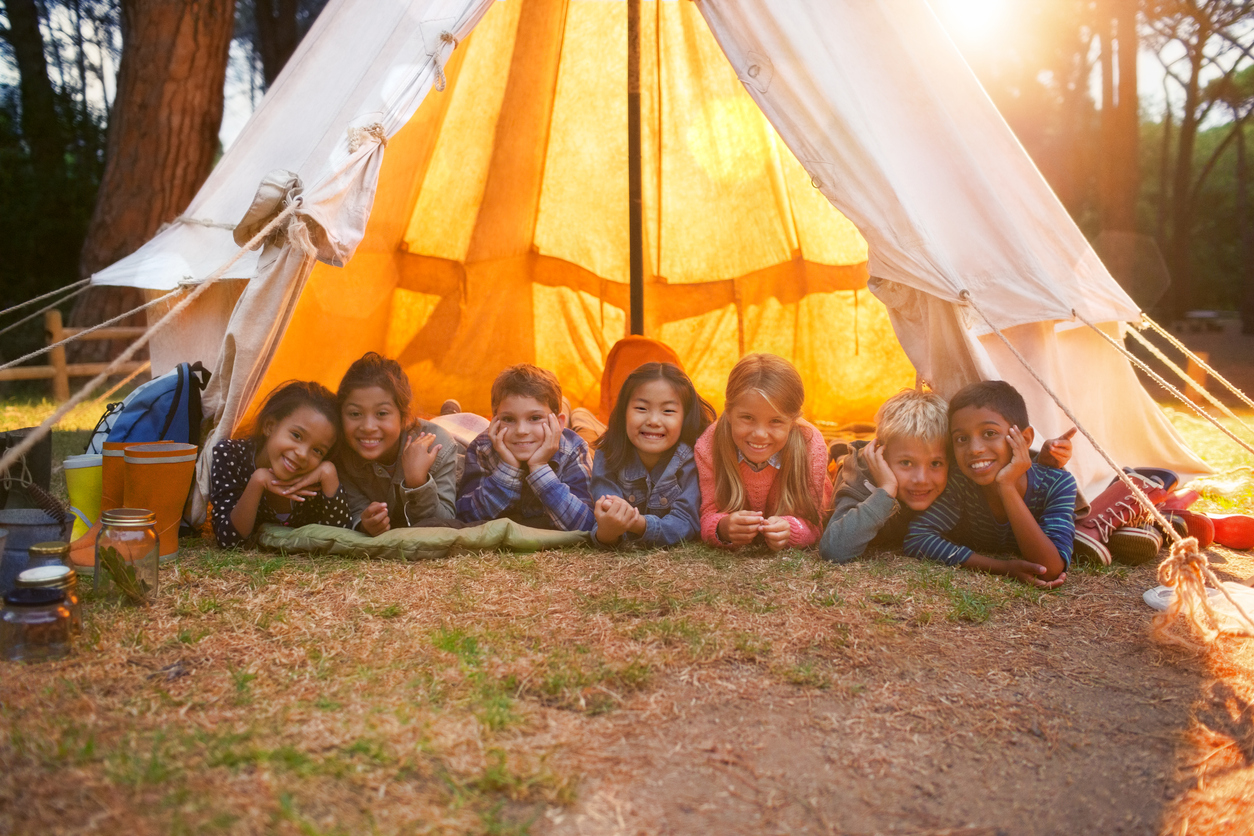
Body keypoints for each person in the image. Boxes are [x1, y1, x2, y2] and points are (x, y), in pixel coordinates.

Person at [904, 380, 1076, 588]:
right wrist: (1002, 567)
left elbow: (1048, 569)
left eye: (989, 433)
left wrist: (1007, 486)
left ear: (1025, 438)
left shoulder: (1057, 484)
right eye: (961, 439)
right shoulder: (961, 482)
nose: (975, 449)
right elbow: (918, 537)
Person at [696, 353, 831, 550]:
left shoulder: (811, 446)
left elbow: (814, 522)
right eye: (747, 417)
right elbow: (708, 512)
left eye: (775, 421)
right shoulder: (708, 446)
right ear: (729, 412)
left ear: (792, 421)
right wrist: (722, 528)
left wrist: (792, 529)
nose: (760, 434)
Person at [210, 380, 351, 547]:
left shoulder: (318, 476)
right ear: (270, 426)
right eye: (297, 435)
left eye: (318, 450)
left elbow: (340, 537)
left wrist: (329, 473)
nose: (302, 454)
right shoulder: (230, 456)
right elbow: (229, 540)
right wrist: (257, 481)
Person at [590, 362, 716, 547]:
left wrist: (639, 524)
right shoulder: (607, 454)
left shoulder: (692, 458)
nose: (654, 421)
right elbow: (603, 520)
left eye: (668, 411)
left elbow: (687, 522)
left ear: (685, 417)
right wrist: (607, 531)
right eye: (641, 408)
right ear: (623, 412)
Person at [456, 364, 595, 531]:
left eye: (535, 417)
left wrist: (539, 468)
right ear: (494, 421)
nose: (521, 431)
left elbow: (587, 524)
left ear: (558, 422)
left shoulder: (574, 449)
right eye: (508, 419)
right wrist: (508, 469)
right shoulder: (482, 448)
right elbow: (465, 517)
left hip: (576, 435)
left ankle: (581, 415)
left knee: (588, 431)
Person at [819, 389, 949, 564]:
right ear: (881, 456)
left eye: (935, 463)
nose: (921, 479)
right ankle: (841, 455)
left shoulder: (953, 478)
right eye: (906, 463)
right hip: (854, 470)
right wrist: (885, 491)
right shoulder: (861, 479)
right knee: (842, 467)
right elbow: (834, 549)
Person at [335, 352, 459, 535]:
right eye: (355, 414)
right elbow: (355, 509)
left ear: (405, 417)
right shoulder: (342, 453)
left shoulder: (439, 447)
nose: (368, 427)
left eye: (382, 413)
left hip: (458, 445)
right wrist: (364, 523)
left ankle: (452, 415)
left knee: (462, 426)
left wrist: (418, 483)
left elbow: (446, 522)